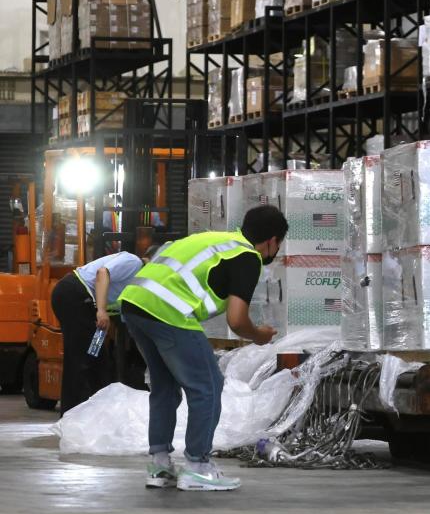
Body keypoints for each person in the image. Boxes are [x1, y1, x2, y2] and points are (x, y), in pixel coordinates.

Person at [118, 205, 287, 492]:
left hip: (134, 304)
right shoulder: (247, 256)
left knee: (164, 387)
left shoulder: (216, 240)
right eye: (277, 246)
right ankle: (197, 466)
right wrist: (258, 335)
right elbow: (237, 319)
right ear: (271, 241)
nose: (275, 253)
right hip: (168, 310)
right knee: (208, 386)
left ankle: (159, 466)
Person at [53, 248, 156, 416]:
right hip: (76, 295)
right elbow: (102, 273)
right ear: (150, 260)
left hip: (90, 310)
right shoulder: (133, 262)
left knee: (96, 357)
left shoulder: (140, 286)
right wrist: (101, 310)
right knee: (83, 360)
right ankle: (73, 416)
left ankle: (96, 414)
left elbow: (130, 323)